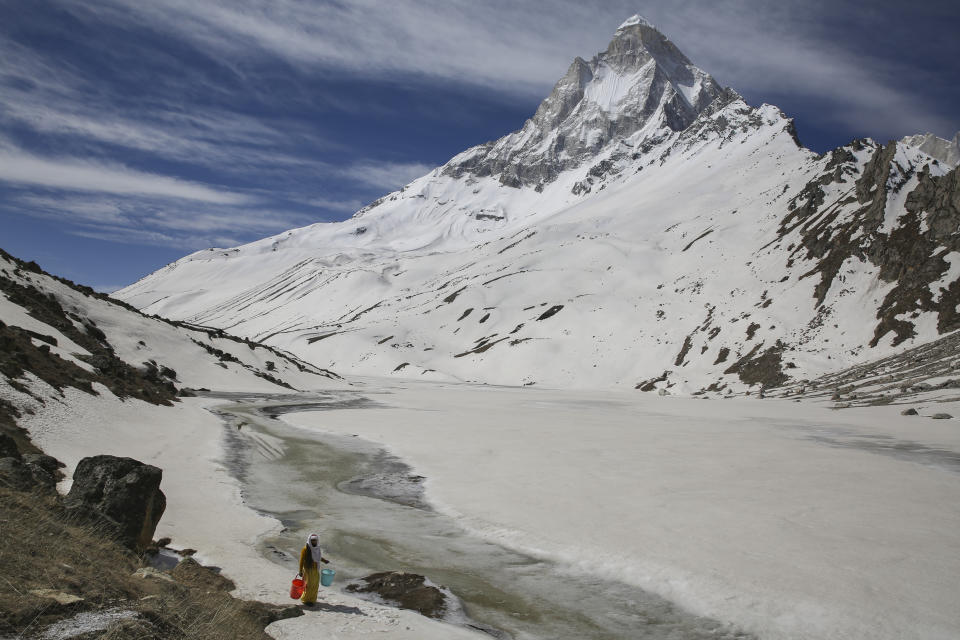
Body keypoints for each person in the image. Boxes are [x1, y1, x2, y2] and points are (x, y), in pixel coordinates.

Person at [298, 533, 330, 605]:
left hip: (315, 570)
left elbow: (317, 557)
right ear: (309, 540)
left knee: (315, 585)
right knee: (308, 585)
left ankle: (312, 600)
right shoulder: (305, 549)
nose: (314, 542)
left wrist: (324, 560)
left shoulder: (317, 548)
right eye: (312, 540)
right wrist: (300, 571)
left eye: (315, 540)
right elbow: (302, 560)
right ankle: (306, 600)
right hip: (308, 570)